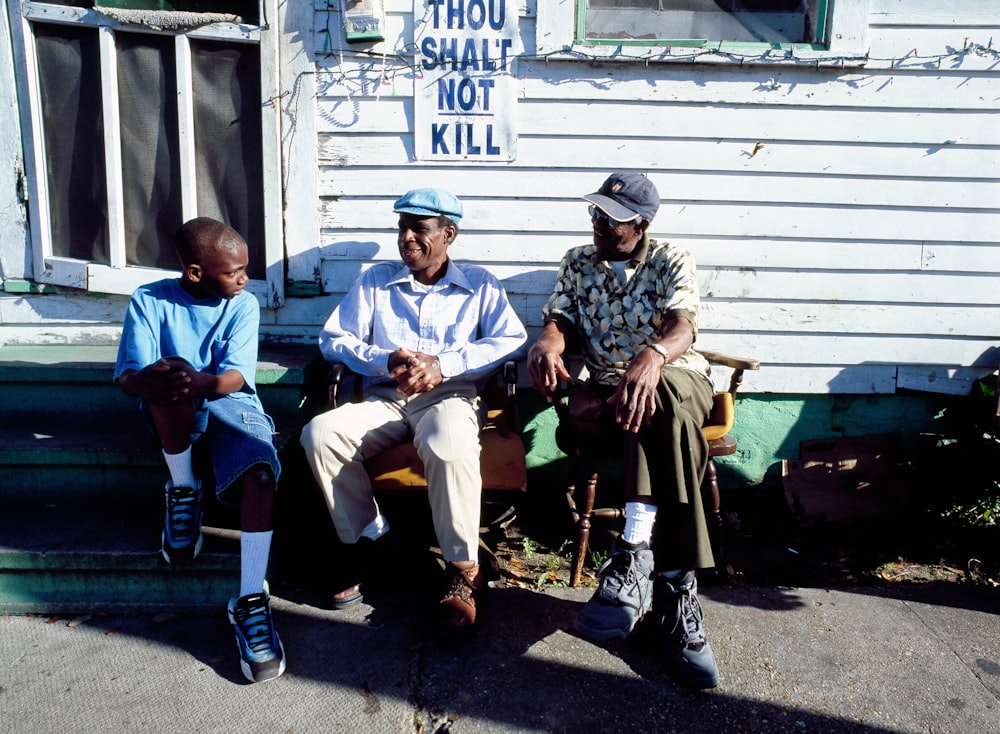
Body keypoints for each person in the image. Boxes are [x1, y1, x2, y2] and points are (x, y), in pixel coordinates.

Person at [299, 187, 526, 631]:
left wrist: (445, 364)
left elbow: (510, 339)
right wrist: (382, 359)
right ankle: (369, 541)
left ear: (448, 235)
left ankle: (464, 570)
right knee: (320, 435)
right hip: (385, 398)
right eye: (402, 227)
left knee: (448, 443)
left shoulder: (479, 284)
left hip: (450, 397)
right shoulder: (375, 281)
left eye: (419, 229)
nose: (407, 238)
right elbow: (334, 338)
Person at [526, 172, 720, 689]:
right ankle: (678, 590)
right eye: (595, 213)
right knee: (652, 414)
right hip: (615, 390)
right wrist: (547, 343)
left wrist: (654, 356)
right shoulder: (577, 261)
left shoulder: (671, 259)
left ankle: (634, 550)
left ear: (641, 224)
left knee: (655, 399)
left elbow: (683, 327)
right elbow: (559, 320)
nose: (598, 225)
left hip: (679, 376)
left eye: (611, 220)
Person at [114, 217, 285, 684]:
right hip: (175, 406)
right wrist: (154, 379)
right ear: (195, 272)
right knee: (165, 379)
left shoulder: (242, 304)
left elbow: (234, 378)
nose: (244, 278)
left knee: (261, 473)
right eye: (234, 271)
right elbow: (129, 375)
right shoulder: (150, 300)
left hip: (230, 401)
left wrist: (198, 382)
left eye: (245, 269)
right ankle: (185, 488)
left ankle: (250, 599)